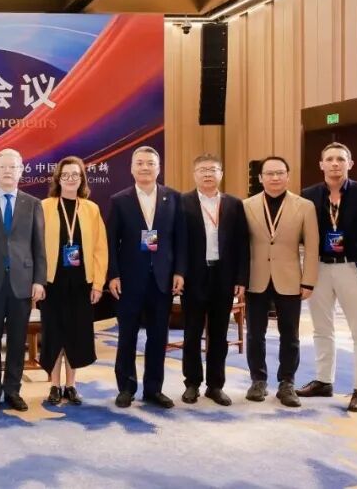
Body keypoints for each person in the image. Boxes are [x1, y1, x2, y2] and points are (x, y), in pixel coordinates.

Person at [296, 143, 357, 413]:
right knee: (321, 328)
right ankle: (323, 381)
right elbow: (302, 233)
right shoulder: (308, 196)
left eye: (340, 159)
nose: (335, 163)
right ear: (321, 164)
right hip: (319, 268)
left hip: (353, 268)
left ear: (350, 164)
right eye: (329, 159)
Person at [106, 146, 186, 409]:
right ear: (131, 168)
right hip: (129, 280)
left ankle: (154, 389)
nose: (145, 167)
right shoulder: (119, 200)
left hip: (162, 279)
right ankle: (126, 388)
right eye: (139, 163)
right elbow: (111, 241)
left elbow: (180, 240)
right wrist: (113, 275)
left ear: (158, 168)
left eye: (150, 163)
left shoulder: (173, 198)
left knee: (158, 337)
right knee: (127, 336)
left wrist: (179, 272)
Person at [0, 148, 47, 412]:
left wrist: (39, 280)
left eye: (13, 167)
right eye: (2, 166)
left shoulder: (32, 203)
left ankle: (13, 390)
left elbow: (39, 245)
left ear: (21, 170)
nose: (7, 171)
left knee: (17, 340)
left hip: (22, 283)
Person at [242, 156, 319, 407]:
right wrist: (239, 279)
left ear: (288, 176)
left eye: (279, 173)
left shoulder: (305, 206)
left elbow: (312, 247)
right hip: (256, 278)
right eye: (269, 173)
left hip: (290, 278)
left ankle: (287, 382)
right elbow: (240, 246)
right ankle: (258, 380)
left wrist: (308, 281)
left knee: (290, 334)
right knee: (255, 334)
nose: (275, 178)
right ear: (260, 177)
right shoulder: (246, 206)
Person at [179, 154, 248, 406]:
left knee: (219, 334)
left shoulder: (234, 204)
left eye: (213, 169)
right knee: (192, 332)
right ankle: (192, 383)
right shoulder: (182, 202)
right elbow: (177, 242)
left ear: (221, 173)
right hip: (193, 276)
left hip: (223, 276)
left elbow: (242, 243)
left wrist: (241, 278)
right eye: (202, 170)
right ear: (194, 174)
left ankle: (215, 385)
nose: (207, 174)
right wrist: (179, 273)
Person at [39, 156, 107, 406]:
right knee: (54, 333)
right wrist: (37, 281)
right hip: (52, 283)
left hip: (81, 283)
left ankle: (71, 385)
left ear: (82, 179)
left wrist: (98, 284)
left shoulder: (91, 209)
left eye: (75, 175)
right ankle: (54, 385)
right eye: (65, 175)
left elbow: (100, 248)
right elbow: (36, 247)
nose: (70, 179)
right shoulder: (44, 206)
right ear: (58, 179)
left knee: (76, 333)